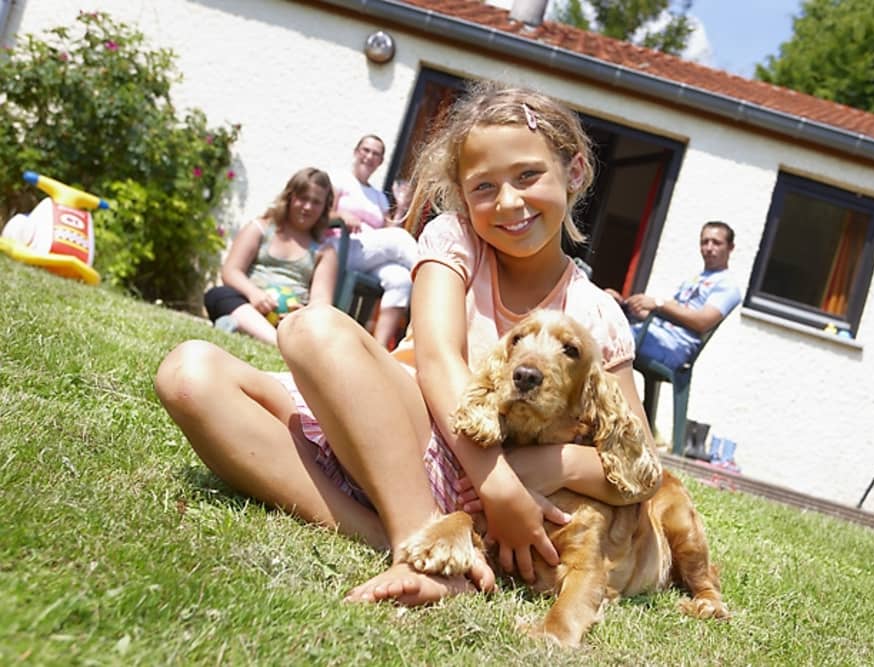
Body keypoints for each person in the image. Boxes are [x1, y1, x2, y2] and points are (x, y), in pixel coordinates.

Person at [155, 81, 659, 607]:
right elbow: (438, 361)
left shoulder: (595, 314)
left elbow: (637, 465)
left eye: (528, 176)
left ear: (574, 171)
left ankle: (420, 549)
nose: (509, 202)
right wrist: (497, 483)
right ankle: (410, 539)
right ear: (463, 196)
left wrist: (536, 471)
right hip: (388, 423)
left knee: (312, 328)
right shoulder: (456, 239)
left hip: (456, 479)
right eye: (483, 187)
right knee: (192, 372)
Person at [203, 168, 338, 346]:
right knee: (217, 295)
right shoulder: (260, 228)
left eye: (316, 202)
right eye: (303, 198)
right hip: (248, 305)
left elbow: (321, 304)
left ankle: (244, 328)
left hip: (290, 321)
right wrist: (254, 294)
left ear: (324, 209)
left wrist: (300, 315)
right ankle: (276, 341)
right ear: (290, 197)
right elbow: (230, 271)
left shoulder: (325, 251)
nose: (307, 207)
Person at [609, 221, 741, 371]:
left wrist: (659, 304)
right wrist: (624, 305)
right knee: (606, 323)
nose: (709, 248)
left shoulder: (727, 285)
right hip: (655, 334)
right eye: (705, 242)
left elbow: (703, 322)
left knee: (609, 337)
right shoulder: (697, 278)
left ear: (730, 248)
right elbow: (664, 317)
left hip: (674, 346)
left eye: (716, 243)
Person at [331, 135, 418, 348]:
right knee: (399, 240)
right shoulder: (339, 179)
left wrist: (401, 208)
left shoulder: (379, 196)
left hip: (368, 256)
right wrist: (341, 215)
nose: (369, 156)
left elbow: (389, 234)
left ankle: (379, 350)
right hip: (341, 248)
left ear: (380, 162)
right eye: (365, 150)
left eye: (376, 154)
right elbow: (323, 212)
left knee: (401, 279)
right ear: (356, 152)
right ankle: (432, 279)